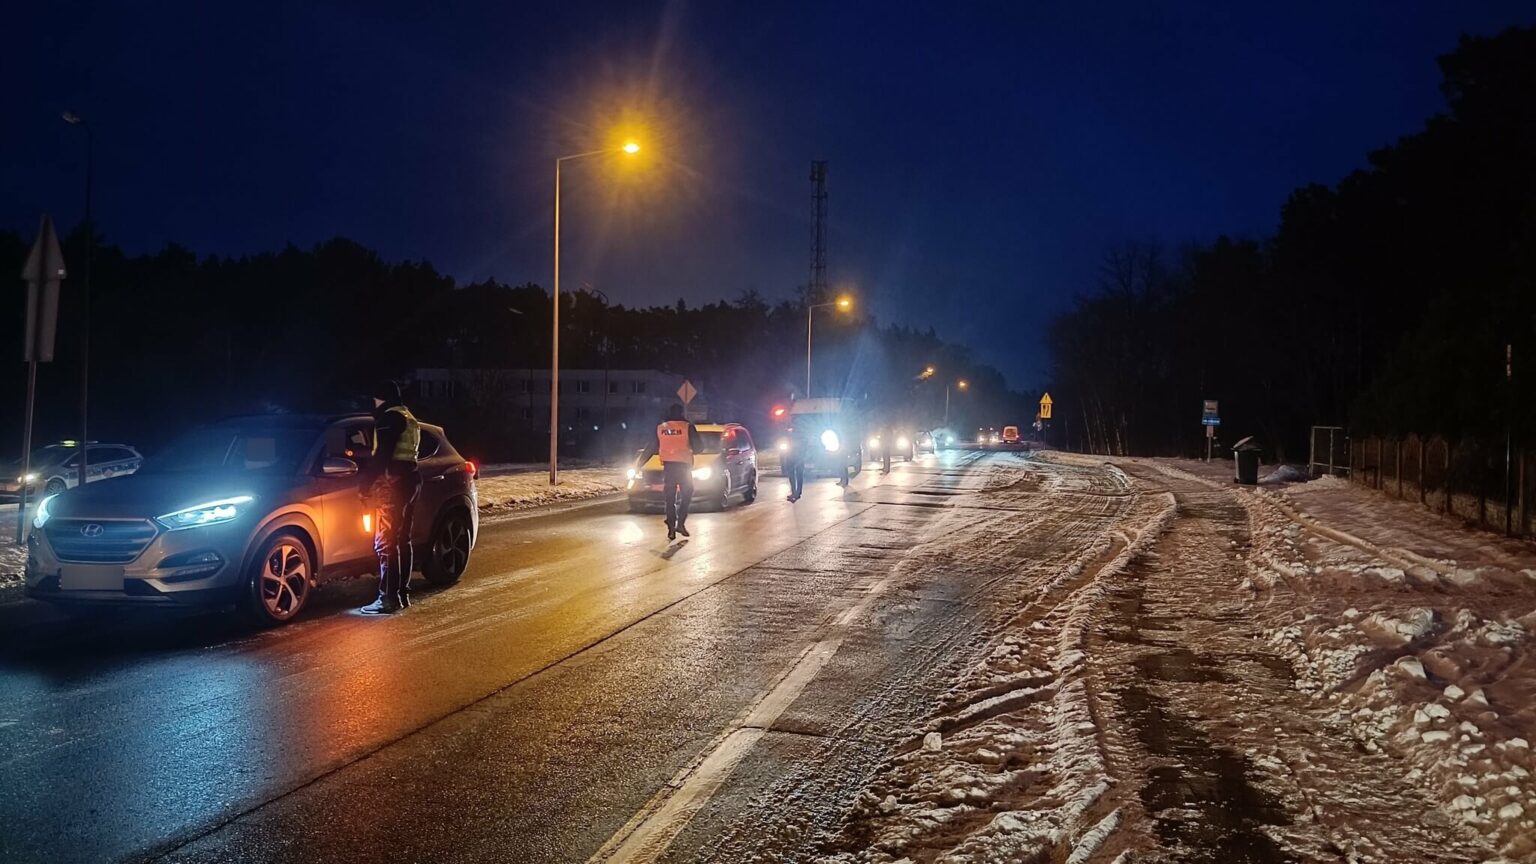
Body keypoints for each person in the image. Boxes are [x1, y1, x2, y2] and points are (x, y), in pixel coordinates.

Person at [359, 379, 422, 615]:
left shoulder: (389, 418)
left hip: (393, 483)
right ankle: (402, 594)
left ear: (380, 398)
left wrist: (364, 485)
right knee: (402, 539)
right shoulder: (408, 416)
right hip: (411, 478)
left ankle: (387, 599)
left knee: (386, 542)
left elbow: (382, 456)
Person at [639, 403, 703, 540]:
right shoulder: (687, 427)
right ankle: (680, 523)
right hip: (684, 468)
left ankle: (671, 527)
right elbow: (699, 448)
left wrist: (639, 464)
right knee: (687, 494)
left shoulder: (661, 428)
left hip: (669, 468)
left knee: (670, 498)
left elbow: (650, 448)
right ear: (682, 413)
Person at [784, 422, 808, 502]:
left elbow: (804, 446)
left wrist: (801, 454)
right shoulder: (789, 434)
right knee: (792, 475)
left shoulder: (801, 435)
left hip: (798, 457)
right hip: (790, 457)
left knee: (798, 475)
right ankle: (794, 492)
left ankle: (797, 492)